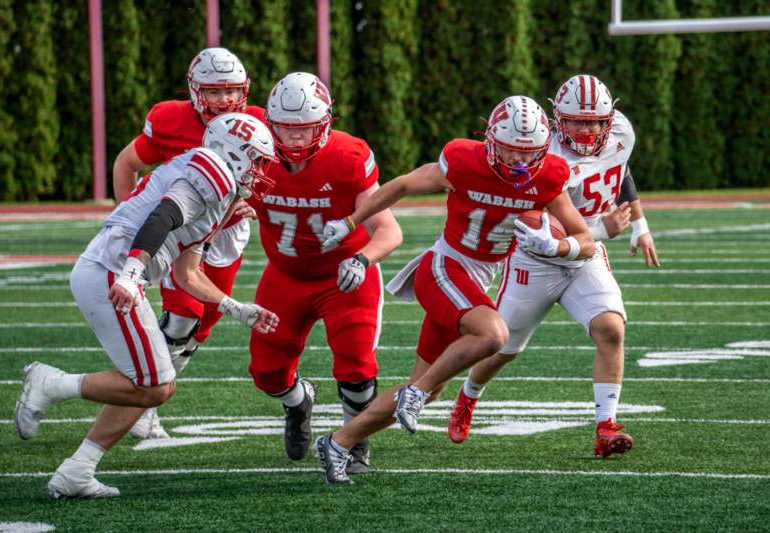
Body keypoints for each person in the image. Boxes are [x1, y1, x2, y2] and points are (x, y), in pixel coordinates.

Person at [313, 95, 596, 484]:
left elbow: (586, 240)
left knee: (426, 388)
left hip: (477, 280)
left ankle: (338, 444)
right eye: (511, 150)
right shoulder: (463, 160)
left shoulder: (549, 176)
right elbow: (403, 185)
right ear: (491, 140)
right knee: (493, 334)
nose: (518, 161)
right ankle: (413, 396)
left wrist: (557, 247)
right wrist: (350, 222)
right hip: (445, 267)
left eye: (528, 153)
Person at [14, 113, 279, 499]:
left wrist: (235, 308)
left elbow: (188, 273)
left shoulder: (216, 192)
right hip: (112, 271)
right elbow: (164, 216)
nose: (259, 172)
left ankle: (77, 470)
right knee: (156, 384)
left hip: (113, 272)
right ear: (233, 153)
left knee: (151, 383)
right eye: (256, 160)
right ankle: (50, 385)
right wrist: (133, 271)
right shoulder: (213, 169)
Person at [448, 75, 659, 458]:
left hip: (586, 253)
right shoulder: (543, 153)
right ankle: (467, 396)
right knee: (502, 349)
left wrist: (640, 226)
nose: (587, 128)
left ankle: (606, 428)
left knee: (610, 328)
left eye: (595, 120)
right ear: (558, 119)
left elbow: (622, 171)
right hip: (535, 257)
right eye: (577, 120)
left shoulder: (622, 132)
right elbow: (535, 223)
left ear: (609, 119)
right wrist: (602, 229)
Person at [246, 72, 402, 473]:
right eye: (285, 129)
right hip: (284, 275)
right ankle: (299, 402)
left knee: (356, 364)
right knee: (267, 373)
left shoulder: (348, 157)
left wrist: (362, 259)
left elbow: (389, 230)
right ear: (269, 123)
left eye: (306, 130)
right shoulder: (252, 151)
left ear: (326, 123)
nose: (296, 140)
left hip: (343, 274)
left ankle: (355, 439)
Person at [112, 47, 266, 439]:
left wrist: (252, 203)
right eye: (214, 92)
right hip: (177, 229)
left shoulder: (256, 123)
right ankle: (145, 403)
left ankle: (149, 396)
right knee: (182, 316)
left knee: (203, 325)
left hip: (226, 233)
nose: (225, 100)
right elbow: (126, 163)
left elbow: (273, 178)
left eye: (231, 91)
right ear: (196, 91)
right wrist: (132, 219)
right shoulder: (170, 119)